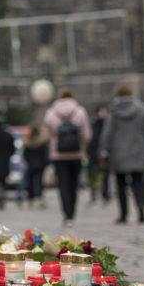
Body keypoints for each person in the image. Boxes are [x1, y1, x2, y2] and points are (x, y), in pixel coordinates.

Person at [99, 86, 144, 224]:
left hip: (118, 154)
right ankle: (141, 212)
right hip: (139, 152)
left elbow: (108, 133)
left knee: (121, 186)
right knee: (138, 184)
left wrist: (104, 150)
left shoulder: (113, 111)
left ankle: (123, 215)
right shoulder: (142, 109)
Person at [44, 90, 91, 227]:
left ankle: (66, 214)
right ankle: (72, 212)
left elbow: (47, 134)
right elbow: (87, 135)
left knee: (63, 185)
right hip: (76, 154)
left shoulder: (51, 112)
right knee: (74, 184)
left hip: (58, 155)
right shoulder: (80, 111)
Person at [87, 105, 111, 205]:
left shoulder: (109, 124)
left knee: (105, 175)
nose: (103, 114)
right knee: (93, 174)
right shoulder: (93, 124)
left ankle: (105, 194)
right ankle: (93, 193)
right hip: (94, 152)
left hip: (105, 152)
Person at [23, 125, 49, 209]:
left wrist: (28, 162)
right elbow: (45, 155)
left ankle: (31, 199)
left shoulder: (27, 143)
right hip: (40, 165)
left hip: (30, 165)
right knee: (39, 182)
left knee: (30, 182)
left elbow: (25, 155)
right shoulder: (42, 143)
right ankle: (39, 198)